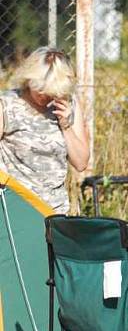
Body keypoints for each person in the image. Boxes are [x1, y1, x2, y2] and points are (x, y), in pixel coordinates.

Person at [0, 47, 89, 213]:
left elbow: (81, 162)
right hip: (14, 210)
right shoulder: (6, 104)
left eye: (51, 92)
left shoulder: (68, 105)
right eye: (39, 89)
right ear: (28, 79)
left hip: (55, 210)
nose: (44, 97)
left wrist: (66, 125)